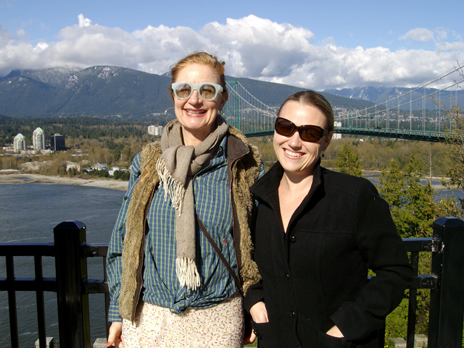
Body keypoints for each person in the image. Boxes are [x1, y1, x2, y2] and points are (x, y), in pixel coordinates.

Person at [106, 52, 262, 348]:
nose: (194, 100)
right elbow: (122, 241)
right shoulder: (148, 162)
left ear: (223, 98)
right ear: (173, 95)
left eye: (207, 90)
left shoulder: (245, 164)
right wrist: (118, 311)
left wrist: (254, 304)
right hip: (148, 319)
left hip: (217, 318)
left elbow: (261, 248)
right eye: (184, 90)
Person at [244, 90, 413, 348]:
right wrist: (254, 301)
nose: (294, 141)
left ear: (326, 141)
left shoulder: (354, 197)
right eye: (285, 127)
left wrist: (346, 327)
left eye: (309, 132)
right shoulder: (256, 198)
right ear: (275, 130)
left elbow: (396, 271)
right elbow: (249, 264)